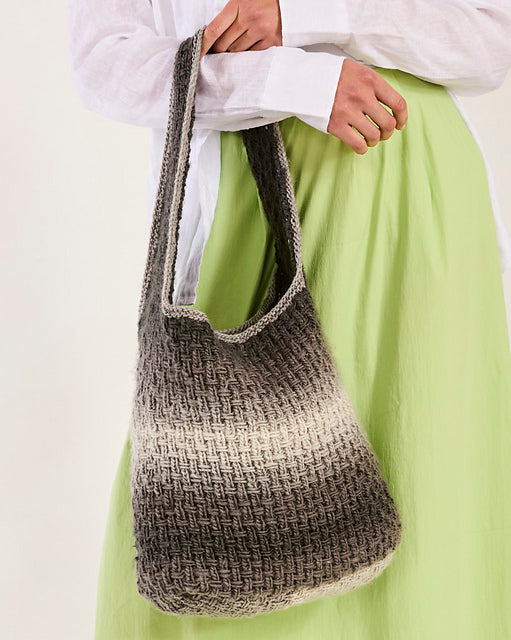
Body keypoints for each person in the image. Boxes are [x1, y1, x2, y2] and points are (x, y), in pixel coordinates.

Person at [68, 1, 511, 638]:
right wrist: (295, 82)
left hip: (417, 199)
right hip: (251, 195)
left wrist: (300, 14)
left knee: (431, 475)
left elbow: (489, 36)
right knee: (226, 513)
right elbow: (104, 64)